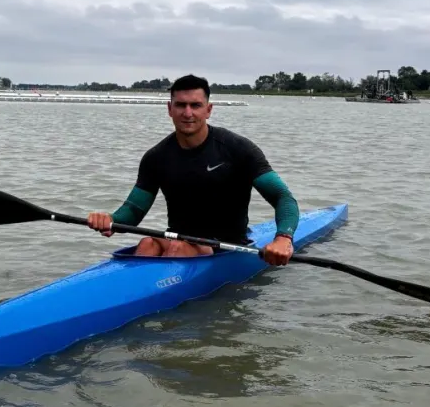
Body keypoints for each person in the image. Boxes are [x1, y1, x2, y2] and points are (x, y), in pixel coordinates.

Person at [87, 74, 299, 264]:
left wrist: (283, 238)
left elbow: (283, 197)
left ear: (208, 110)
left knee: (179, 248)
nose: (187, 113)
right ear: (170, 109)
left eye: (195, 105)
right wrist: (110, 219)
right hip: (176, 238)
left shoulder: (237, 149)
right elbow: (133, 211)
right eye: (180, 105)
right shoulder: (156, 157)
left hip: (227, 244)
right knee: (147, 244)